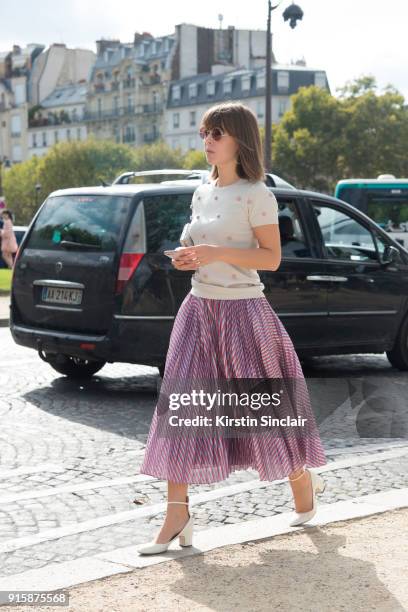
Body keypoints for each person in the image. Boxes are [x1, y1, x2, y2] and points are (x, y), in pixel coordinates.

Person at [137, 101, 328, 555]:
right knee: (181, 409)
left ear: (240, 140)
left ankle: (303, 483)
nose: (206, 141)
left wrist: (214, 252)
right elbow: (194, 245)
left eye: (216, 134)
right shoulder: (202, 191)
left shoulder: (257, 193)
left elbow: (271, 258)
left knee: (265, 413)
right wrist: (186, 256)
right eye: (205, 133)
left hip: (244, 312)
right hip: (199, 310)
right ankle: (176, 511)